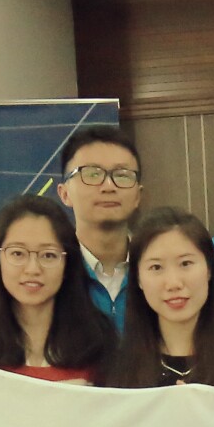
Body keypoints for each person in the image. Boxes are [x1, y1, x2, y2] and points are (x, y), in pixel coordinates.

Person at [104, 209, 214, 393]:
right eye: (156, 267)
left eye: (186, 263)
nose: (174, 283)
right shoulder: (118, 367)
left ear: (209, 269)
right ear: (138, 278)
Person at [0, 195, 115, 383]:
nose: (33, 269)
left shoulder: (98, 346)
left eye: (48, 255)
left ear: (68, 264)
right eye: (18, 253)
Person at [55, 124, 146, 322]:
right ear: (64, 193)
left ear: (138, 196)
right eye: (92, 174)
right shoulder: (52, 272)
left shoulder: (157, 268)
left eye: (122, 175)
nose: (108, 186)